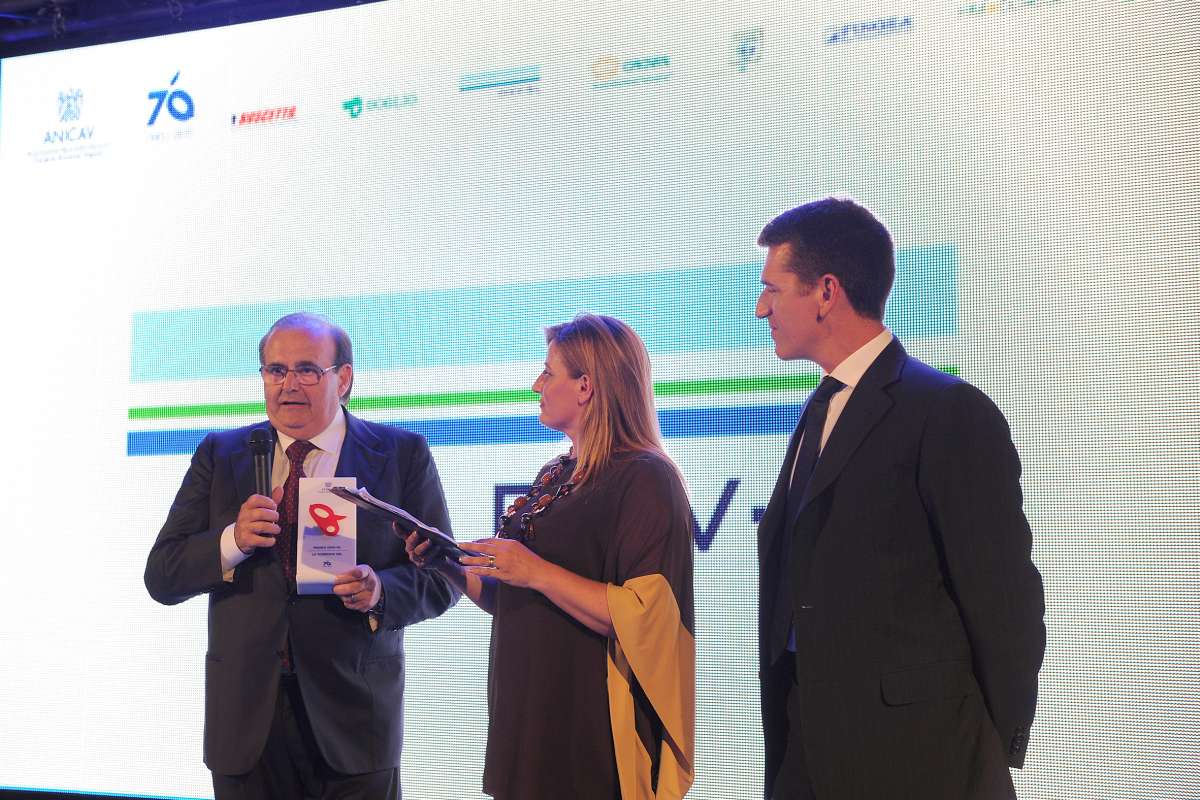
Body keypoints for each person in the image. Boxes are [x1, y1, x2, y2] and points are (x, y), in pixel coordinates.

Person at [754, 198, 1046, 800]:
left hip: (917, 757)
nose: (762, 308)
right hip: (806, 749)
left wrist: (987, 744)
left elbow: (1003, 599)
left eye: (773, 289)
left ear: (826, 292)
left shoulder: (944, 410)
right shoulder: (819, 408)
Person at [145, 312, 458, 800]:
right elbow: (162, 575)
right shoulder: (222, 453)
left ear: (343, 378)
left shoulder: (401, 454)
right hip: (246, 726)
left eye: (307, 370)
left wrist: (380, 592)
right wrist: (232, 541)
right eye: (276, 370)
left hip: (355, 722)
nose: (288, 385)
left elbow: (444, 577)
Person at [405, 313, 695, 800]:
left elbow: (646, 616)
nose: (536, 385)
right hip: (526, 722)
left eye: (548, 372)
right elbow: (511, 599)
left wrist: (536, 571)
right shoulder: (556, 473)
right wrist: (446, 562)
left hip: (587, 733)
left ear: (585, 386)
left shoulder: (645, 478)